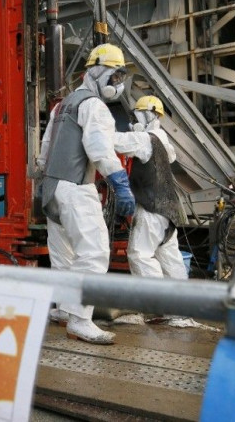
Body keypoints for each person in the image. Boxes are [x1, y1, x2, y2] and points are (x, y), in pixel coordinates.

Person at [38, 43, 136, 345]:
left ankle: (66, 310)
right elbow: (99, 149)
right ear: (95, 71)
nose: (116, 83)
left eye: (120, 77)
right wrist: (120, 183)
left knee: (65, 255)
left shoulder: (61, 105)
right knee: (94, 254)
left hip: (50, 189)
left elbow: (44, 152)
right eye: (114, 74)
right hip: (77, 188)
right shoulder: (94, 106)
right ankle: (81, 320)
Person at [113, 95, 188, 281]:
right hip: (169, 211)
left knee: (139, 255)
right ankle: (180, 308)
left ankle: (156, 300)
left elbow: (116, 142)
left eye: (137, 116)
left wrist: (97, 129)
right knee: (170, 259)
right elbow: (170, 156)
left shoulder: (145, 140)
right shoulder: (162, 139)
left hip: (151, 209)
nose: (134, 121)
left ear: (149, 115)